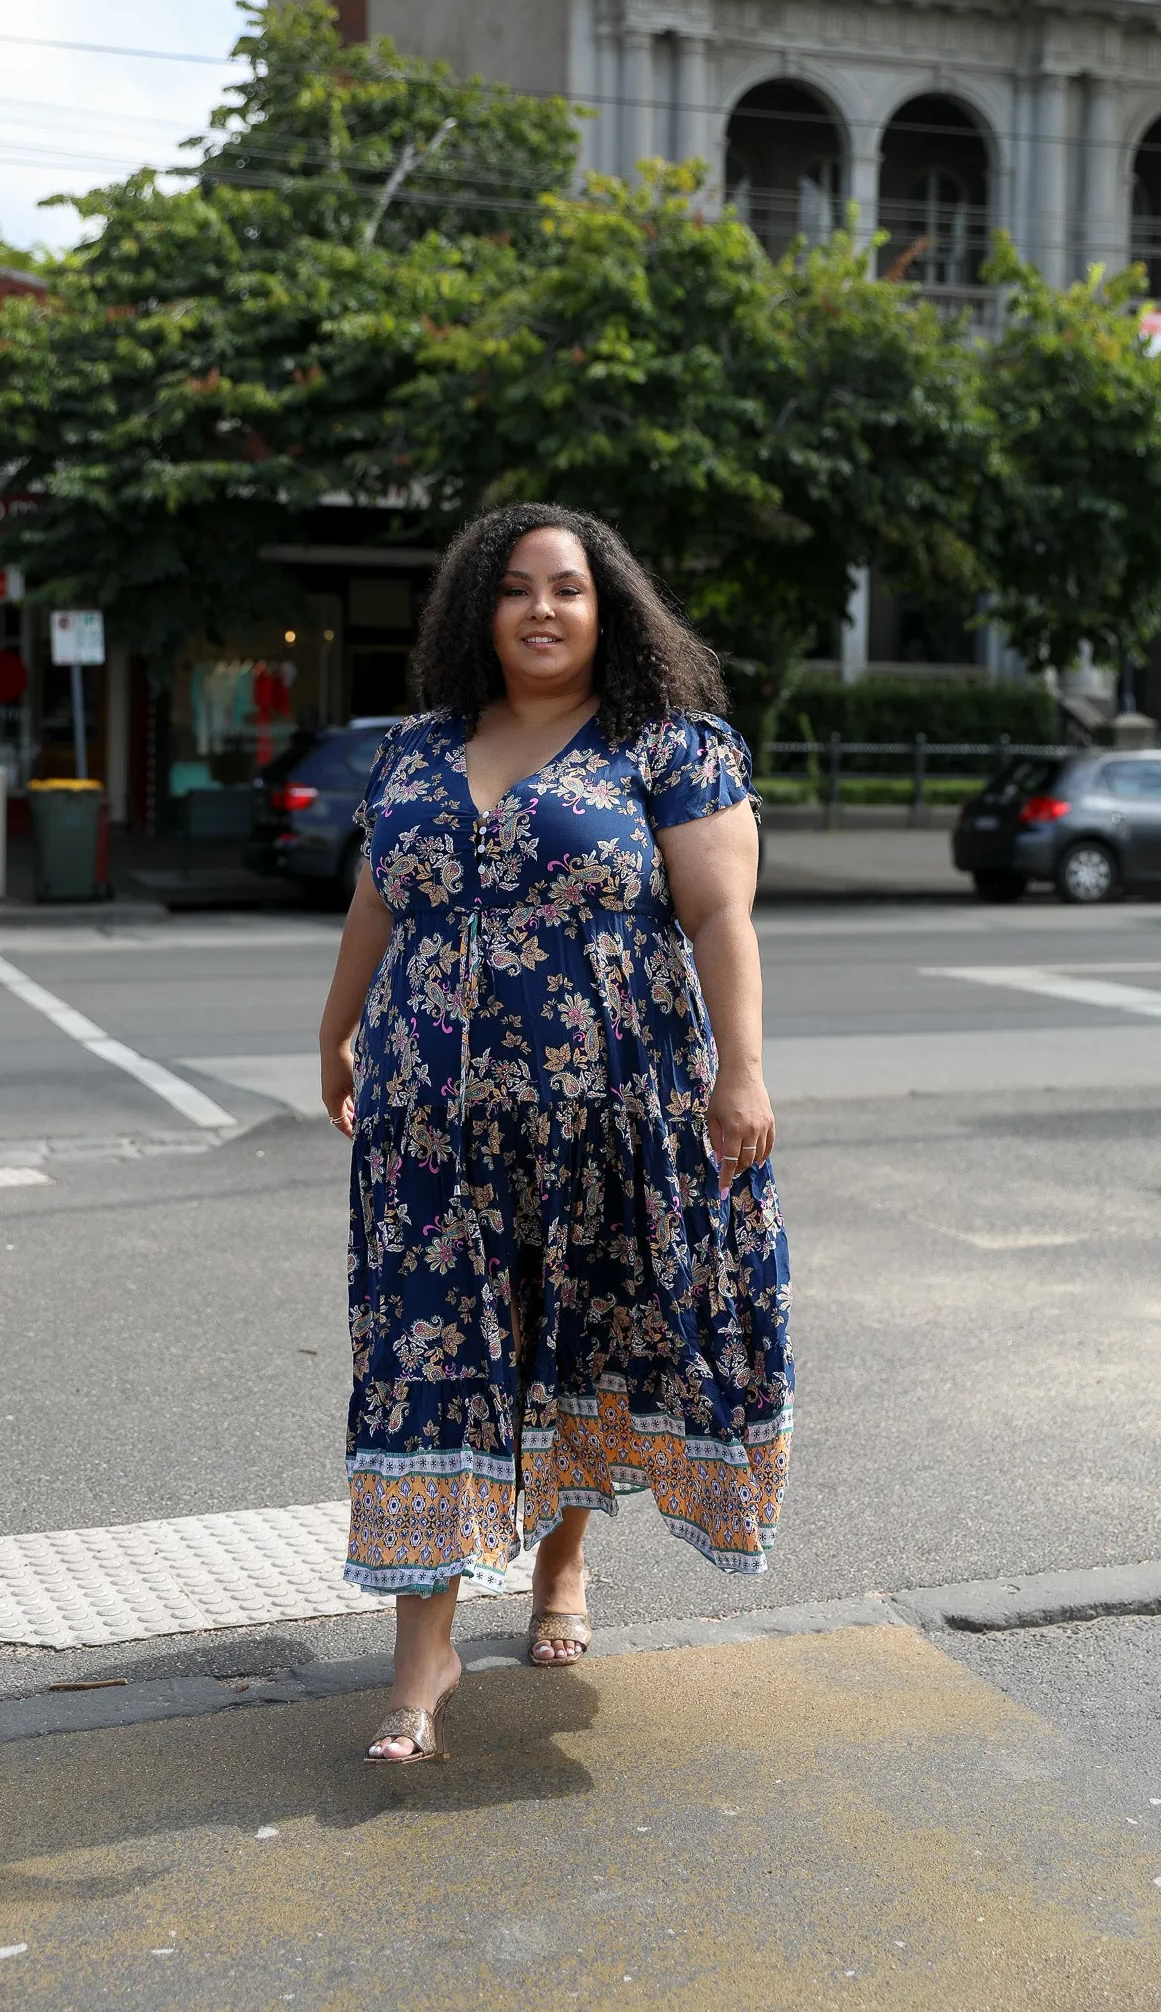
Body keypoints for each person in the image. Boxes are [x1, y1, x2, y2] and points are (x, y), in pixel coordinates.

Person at [318, 503, 792, 1764]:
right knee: (433, 1352)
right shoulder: (416, 748)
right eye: (516, 587)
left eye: (568, 589)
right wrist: (334, 1029)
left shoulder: (671, 749)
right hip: (428, 1124)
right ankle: (426, 1653)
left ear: (607, 609)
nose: (540, 608)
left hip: (609, 1107)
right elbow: (377, 895)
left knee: (577, 1333)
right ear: (480, 607)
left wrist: (739, 1075)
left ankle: (563, 1562)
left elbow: (721, 918)